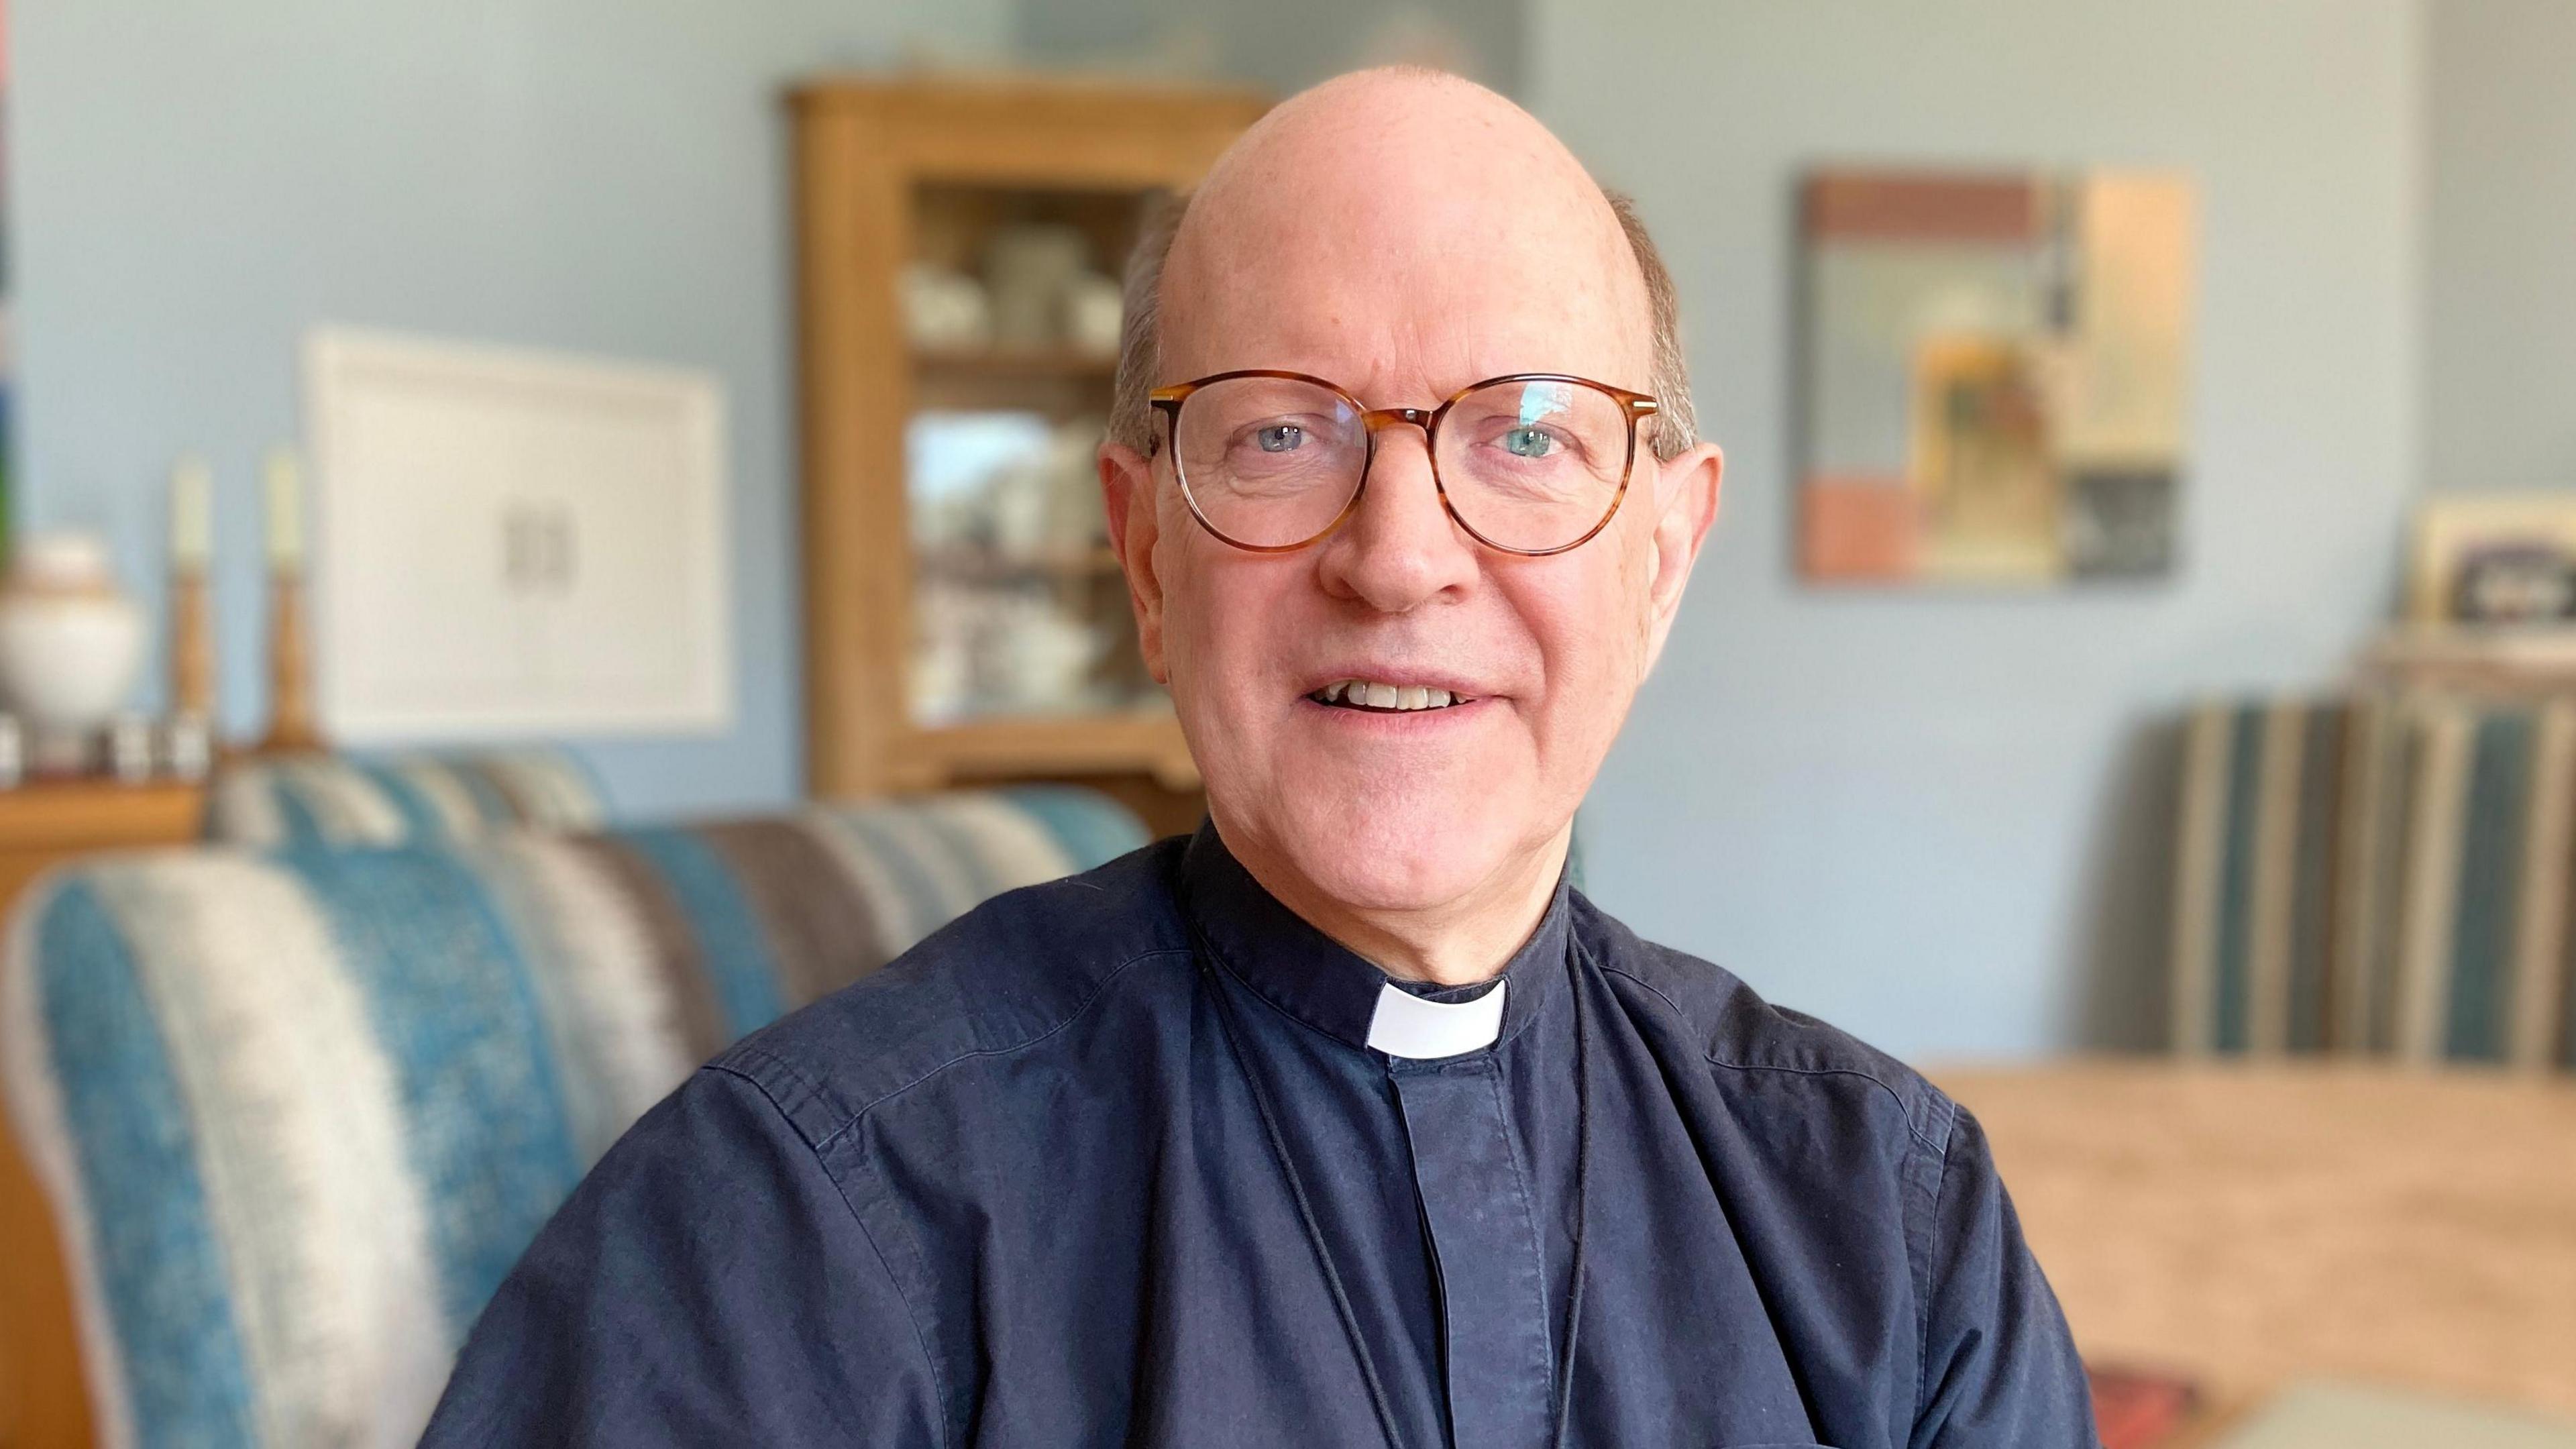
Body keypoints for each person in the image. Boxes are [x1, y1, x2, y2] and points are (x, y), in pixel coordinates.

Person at [421, 66, 2094, 1448]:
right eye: (1284, 432)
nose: (1400, 556)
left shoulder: (1893, 1219)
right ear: (1147, 558)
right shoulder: (798, 1230)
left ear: (1661, 558)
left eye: (1525, 436)